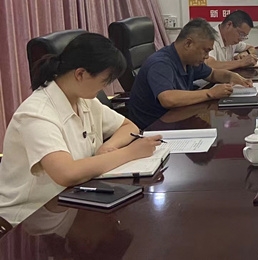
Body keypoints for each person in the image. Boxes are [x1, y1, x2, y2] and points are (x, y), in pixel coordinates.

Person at [0, 34, 163, 225]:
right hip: (30, 216)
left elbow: (129, 126)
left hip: (72, 200)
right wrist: (130, 153)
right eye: (105, 80)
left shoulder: (84, 100)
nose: (106, 87)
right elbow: (66, 173)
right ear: (80, 74)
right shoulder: (37, 114)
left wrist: (108, 146)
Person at [127, 18, 253, 129]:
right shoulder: (160, 63)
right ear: (188, 44)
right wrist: (210, 93)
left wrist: (231, 76)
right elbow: (168, 99)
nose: (207, 56)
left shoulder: (189, 61)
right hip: (152, 128)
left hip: (177, 119)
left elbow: (212, 74)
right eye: (205, 51)